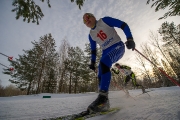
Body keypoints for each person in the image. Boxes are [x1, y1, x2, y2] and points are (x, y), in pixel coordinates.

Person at [83, 13, 135, 113]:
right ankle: (103, 103)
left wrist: (130, 38)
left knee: (103, 62)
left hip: (118, 47)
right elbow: (93, 50)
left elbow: (123, 24)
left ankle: (103, 98)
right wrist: (92, 63)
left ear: (93, 17)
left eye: (88, 17)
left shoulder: (104, 21)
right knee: (100, 72)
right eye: (84, 21)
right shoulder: (91, 35)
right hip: (106, 52)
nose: (86, 20)